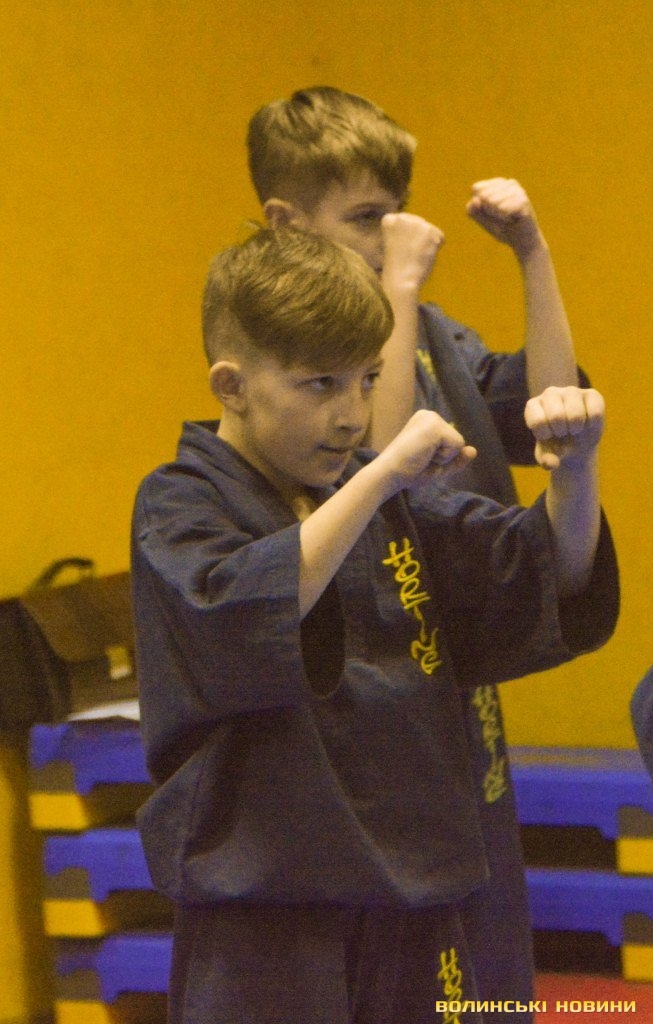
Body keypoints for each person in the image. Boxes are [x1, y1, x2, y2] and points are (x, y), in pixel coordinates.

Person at [132, 226, 619, 1024]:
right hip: (267, 911)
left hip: (412, 890)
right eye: (319, 384)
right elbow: (245, 613)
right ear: (232, 385)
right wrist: (383, 474)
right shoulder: (179, 503)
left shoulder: (380, 494)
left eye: (366, 380)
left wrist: (575, 475)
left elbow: (543, 577)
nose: (351, 414)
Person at [246, 86, 588, 1016]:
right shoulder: (291, 363)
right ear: (286, 224)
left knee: (491, 928)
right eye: (366, 217)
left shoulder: (432, 332)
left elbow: (552, 411)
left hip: (456, 674)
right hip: (373, 688)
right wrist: (395, 289)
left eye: (396, 209)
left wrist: (531, 253)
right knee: (419, 957)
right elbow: (377, 461)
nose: (395, 232)